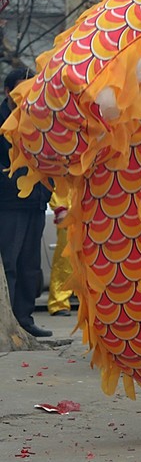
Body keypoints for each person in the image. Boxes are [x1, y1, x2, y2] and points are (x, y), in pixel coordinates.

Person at [0, 67, 53, 338]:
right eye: (21, 89)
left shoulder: (40, 117)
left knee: (30, 265)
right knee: (9, 261)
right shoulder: (1, 119)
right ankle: (6, 319)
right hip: (9, 203)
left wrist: (47, 190)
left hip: (36, 201)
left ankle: (25, 319)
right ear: (9, 91)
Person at [47, 186, 75, 316]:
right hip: (70, 213)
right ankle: (59, 302)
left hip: (94, 210)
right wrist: (60, 208)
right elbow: (59, 179)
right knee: (65, 260)